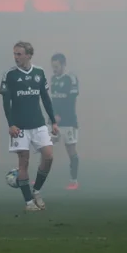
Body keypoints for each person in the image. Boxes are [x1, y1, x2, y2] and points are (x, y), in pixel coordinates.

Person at [0, 41, 59, 211]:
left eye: (19, 54)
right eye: (14, 54)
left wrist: (53, 121)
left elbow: (45, 99)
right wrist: (11, 124)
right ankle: (28, 202)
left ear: (28, 55)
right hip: (20, 127)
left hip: (38, 124)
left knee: (48, 156)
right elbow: (6, 103)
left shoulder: (39, 73)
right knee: (23, 162)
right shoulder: (9, 75)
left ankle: (36, 190)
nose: (16, 57)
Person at [50, 52, 80, 190]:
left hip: (68, 121)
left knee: (71, 151)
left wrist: (61, 115)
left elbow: (71, 100)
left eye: (56, 66)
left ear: (63, 65)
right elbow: (53, 100)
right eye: (53, 67)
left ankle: (73, 180)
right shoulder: (53, 79)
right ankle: (40, 177)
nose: (54, 69)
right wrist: (53, 116)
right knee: (46, 147)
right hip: (55, 121)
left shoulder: (71, 78)